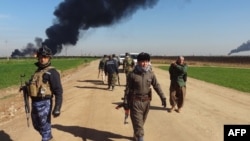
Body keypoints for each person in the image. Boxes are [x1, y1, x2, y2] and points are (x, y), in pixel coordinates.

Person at [122, 52, 166, 141]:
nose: (144, 63)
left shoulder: (151, 74)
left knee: (141, 123)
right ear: (138, 62)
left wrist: (163, 97)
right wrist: (125, 101)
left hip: (146, 102)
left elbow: (156, 86)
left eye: (146, 61)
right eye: (142, 61)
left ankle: (136, 135)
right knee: (139, 126)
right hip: (135, 102)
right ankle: (140, 138)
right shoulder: (132, 74)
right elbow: (128, 89)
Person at [27, 45, 63, 141]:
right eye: (41, 57)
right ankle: (49, 138)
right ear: (38, 57)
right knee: (37, 126)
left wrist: (57, 108)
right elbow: (34, 86)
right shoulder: (38, 72)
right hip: (34, 103)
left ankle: (47, 138)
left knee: (45, 129)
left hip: (45, 103)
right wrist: (26, 88)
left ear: (49, 58)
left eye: (45, 57)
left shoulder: (52, 72)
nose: (42, 59)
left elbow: (58, 91)